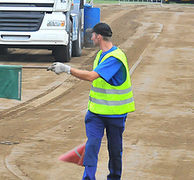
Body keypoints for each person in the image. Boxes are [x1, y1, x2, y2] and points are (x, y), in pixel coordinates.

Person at [49, 22, 134, 180]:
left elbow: (91, 76)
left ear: (99, 37)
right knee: (92, 146)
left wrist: (67, 69)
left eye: (92, 35)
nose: (91, 37)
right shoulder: (101, 54)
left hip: (115, 114)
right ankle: (88, 178)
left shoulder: (115, 58)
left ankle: (114, 177)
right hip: (95, 113)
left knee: (115, 150)